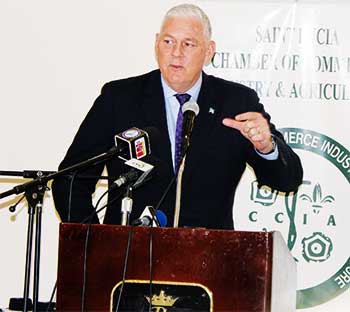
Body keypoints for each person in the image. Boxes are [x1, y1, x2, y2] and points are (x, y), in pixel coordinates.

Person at [52, 3, 303, 229]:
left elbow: (288, 180)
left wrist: (266, 146)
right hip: (130, 264)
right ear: (156, 43)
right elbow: (71, 180)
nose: (176, 52)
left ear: (208, 51)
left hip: (208, 265)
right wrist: (94, 247)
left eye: (189, 44)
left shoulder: (236, 102)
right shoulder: (119, 98)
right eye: (168, 42)